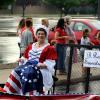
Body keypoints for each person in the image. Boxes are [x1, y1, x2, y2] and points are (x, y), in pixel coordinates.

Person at [3, 28, 57, 95]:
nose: (40, 35)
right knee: (15, 71)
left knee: (29, 73)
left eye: (42, 34)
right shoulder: (31, 46)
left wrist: (42, 65)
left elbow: (51, 62)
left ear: (45, 36)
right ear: (36, 35)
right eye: (39, 34)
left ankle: (30, 94)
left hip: (41, 69)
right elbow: (25, 58)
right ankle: (11, 92)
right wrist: (21, 60)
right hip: (28, 66)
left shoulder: (49, 48)